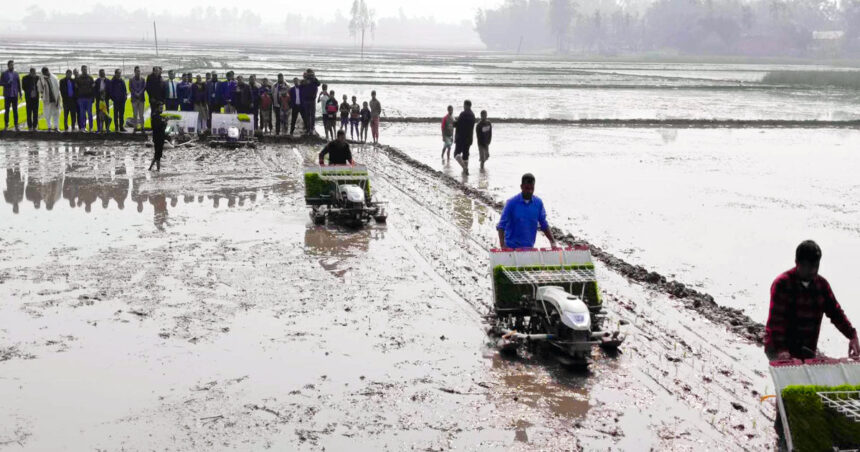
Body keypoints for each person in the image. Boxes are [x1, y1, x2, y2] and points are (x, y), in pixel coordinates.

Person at [763, 240, 859, 450]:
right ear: (797, 263)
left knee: (807, 392)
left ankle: (803, 435)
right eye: (807, 266)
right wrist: (782, 352)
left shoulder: (821, 285)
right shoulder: (782, 284)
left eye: (815, 266)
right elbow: (776, 322)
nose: (812, 271)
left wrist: (852, 334)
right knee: (788, 391)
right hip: (779, 345)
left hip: (806, 346)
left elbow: (835, 312)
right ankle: (783, 438)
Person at [496, 173, 556, 250]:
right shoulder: (511, 203)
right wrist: (502, 245)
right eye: (527, 188)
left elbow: (544, 224)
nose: (530, 191)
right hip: (511, 248)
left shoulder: (538, 203)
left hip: (529, 248)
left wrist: (552, 242)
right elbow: (501, 226)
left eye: (532, 189)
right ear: (521, 187)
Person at [453, 100, 476, 174]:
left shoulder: (463, 114)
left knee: (456, 154)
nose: (463, 106)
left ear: (466, 105)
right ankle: (465, 171)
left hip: (461, 137)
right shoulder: (473, 115)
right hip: (469, 138)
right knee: (466, 155)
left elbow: (458, 125)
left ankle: (464, 168)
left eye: (464, 105)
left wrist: (454, 121)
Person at [39, 68, 61, 132]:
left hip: (55, 98)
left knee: (56, 113)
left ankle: (56, 127)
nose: (46, 74)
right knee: (47, 113)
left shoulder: (54, 78)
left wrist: (58, 98)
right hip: (47, 99)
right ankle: (49, 127)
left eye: (46, 72)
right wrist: (42, 94)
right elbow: (40, 89)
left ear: (48, 71)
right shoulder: (41, 79)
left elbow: (58, 88)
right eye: (44, 73)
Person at [1, 60, 21, 130]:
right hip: (7, 95)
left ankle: (16, 125)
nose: (12, 66)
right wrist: (7, 83)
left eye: (13, 65)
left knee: (15, 110)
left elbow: (19, 84)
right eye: (11, 65)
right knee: (7, 111)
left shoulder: (16, 74)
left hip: (14, 95)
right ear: (8, 66)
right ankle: (6, 125)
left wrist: (20, 94)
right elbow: (1, 83)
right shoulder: (4, 74)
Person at [75, 65, 95, 132]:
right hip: (81, 98)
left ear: (87, 70)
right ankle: (83, 127)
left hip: (89, 98)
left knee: (90, 113)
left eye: (85, 69)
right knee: (82, 114)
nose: (84, 70)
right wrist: (78, 98)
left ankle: (91, 127)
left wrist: (93, 98)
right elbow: (76, 89)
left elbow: (93, 89)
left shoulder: (90, 78)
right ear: (81, 70)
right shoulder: (78, 78)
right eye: (83, 69)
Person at [301, 69, 320, 135]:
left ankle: (312, 128)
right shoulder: (304, 80)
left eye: (310, 73)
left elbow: (319, 83)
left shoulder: (314, 80)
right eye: (308, 73)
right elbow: (301, 85)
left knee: (312, 115)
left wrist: (313, 78)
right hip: (306, 100)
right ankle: (308, 129)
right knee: (307, 115)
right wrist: (306, 79)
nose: (309, 75)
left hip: (312, 100)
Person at [148, 105, 166, 172]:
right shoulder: (158, 117)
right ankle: (150, 168)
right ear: (157, 108)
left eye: (162, 108)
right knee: (157, 154)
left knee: (158, 154)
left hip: (156, 137)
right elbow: (160, 127)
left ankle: (157, 168)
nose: (162, 110)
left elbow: (154, 127)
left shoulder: (155, 116)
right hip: (159, 137)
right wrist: (165, 122)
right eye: (161, 108)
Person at [94, 69, 112, 133]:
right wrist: (98, 96)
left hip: (105, 100)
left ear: (105, 73)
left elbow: (110, 91)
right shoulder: (96, 81)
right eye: (101, 73)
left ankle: (107, 128)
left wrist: (106, 97)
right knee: (98, 115)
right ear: (99, 74)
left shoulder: (108, 81)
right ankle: (99, 129)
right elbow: (95, 91)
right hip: (99, 101)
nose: (102, 74)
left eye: (103, 73)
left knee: (106, 114)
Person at [129, 66, 146, 133]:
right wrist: (135, 93)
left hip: (141, 99)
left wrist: (140, 93)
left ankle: (142, 127)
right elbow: (130, 88)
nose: (138, 72)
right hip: (134, 99)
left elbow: (144, 88)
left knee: (141, 114)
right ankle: (135, 127)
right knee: (135, 114)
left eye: (139, 71)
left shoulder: (143, 79)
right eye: (137, 71)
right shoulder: (131, 80)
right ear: (134, 72)